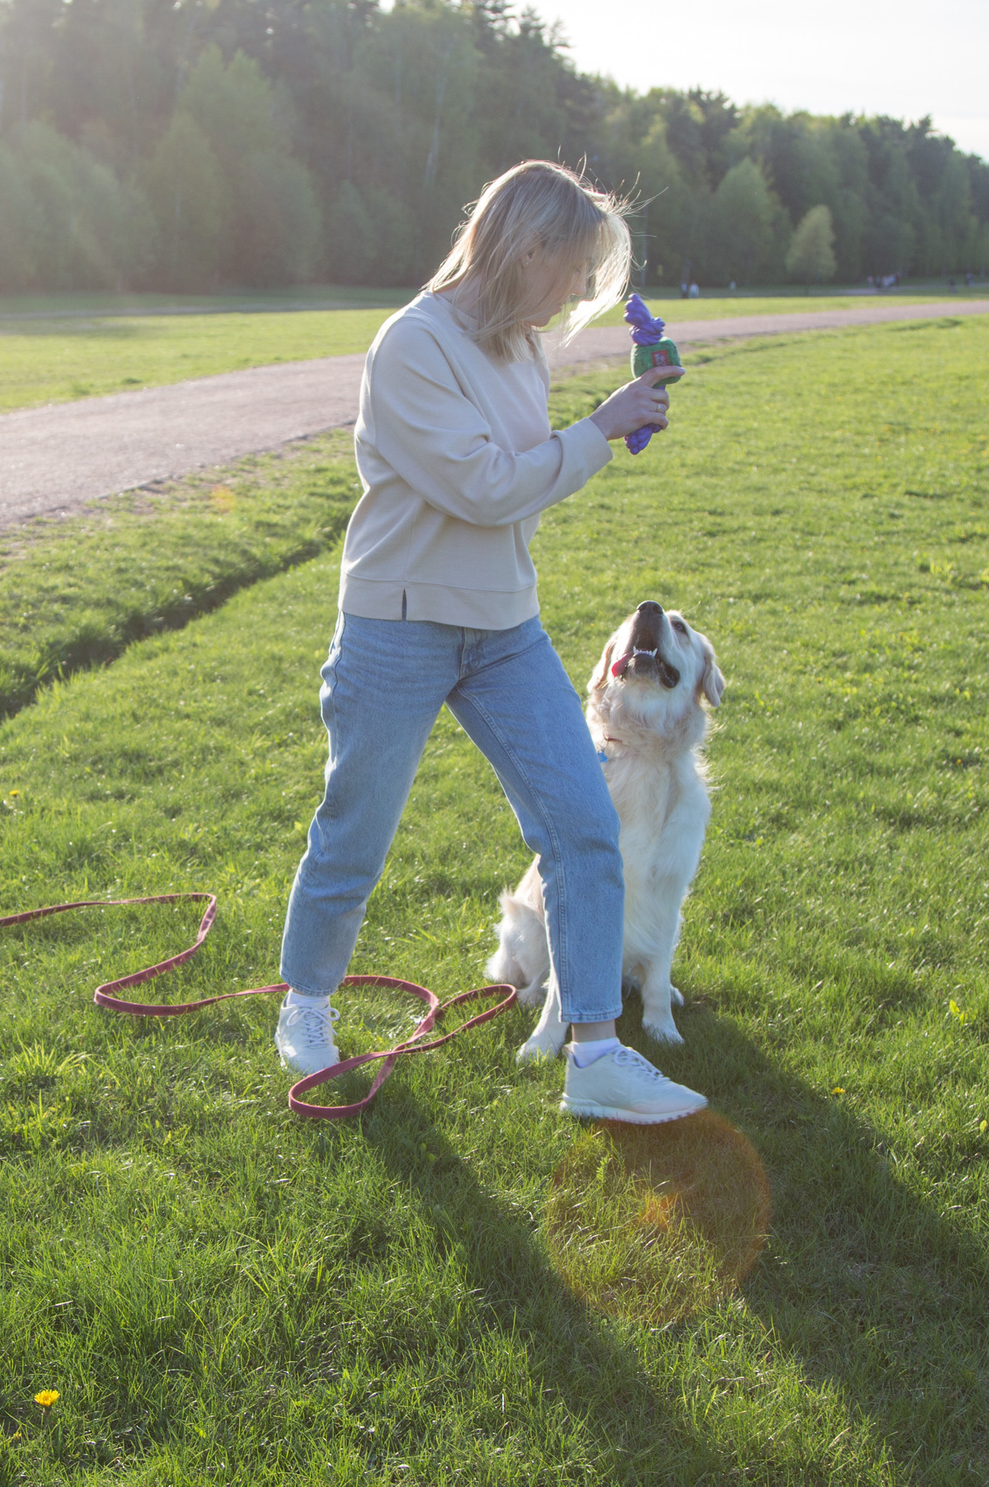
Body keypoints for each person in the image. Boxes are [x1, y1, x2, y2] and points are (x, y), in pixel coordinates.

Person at [272, 160, 707, 1125]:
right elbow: (485, 487)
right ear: (528, 247)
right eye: (572, 269)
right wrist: (601, 429)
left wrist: (595, 433)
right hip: (397, 624)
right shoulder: (412, 346)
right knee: (357, 827)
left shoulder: (520, 348)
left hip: (504, 627)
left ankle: (594, 1049)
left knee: (583, 825)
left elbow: (517, 490)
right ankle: (306, 1003)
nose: (575, 294)